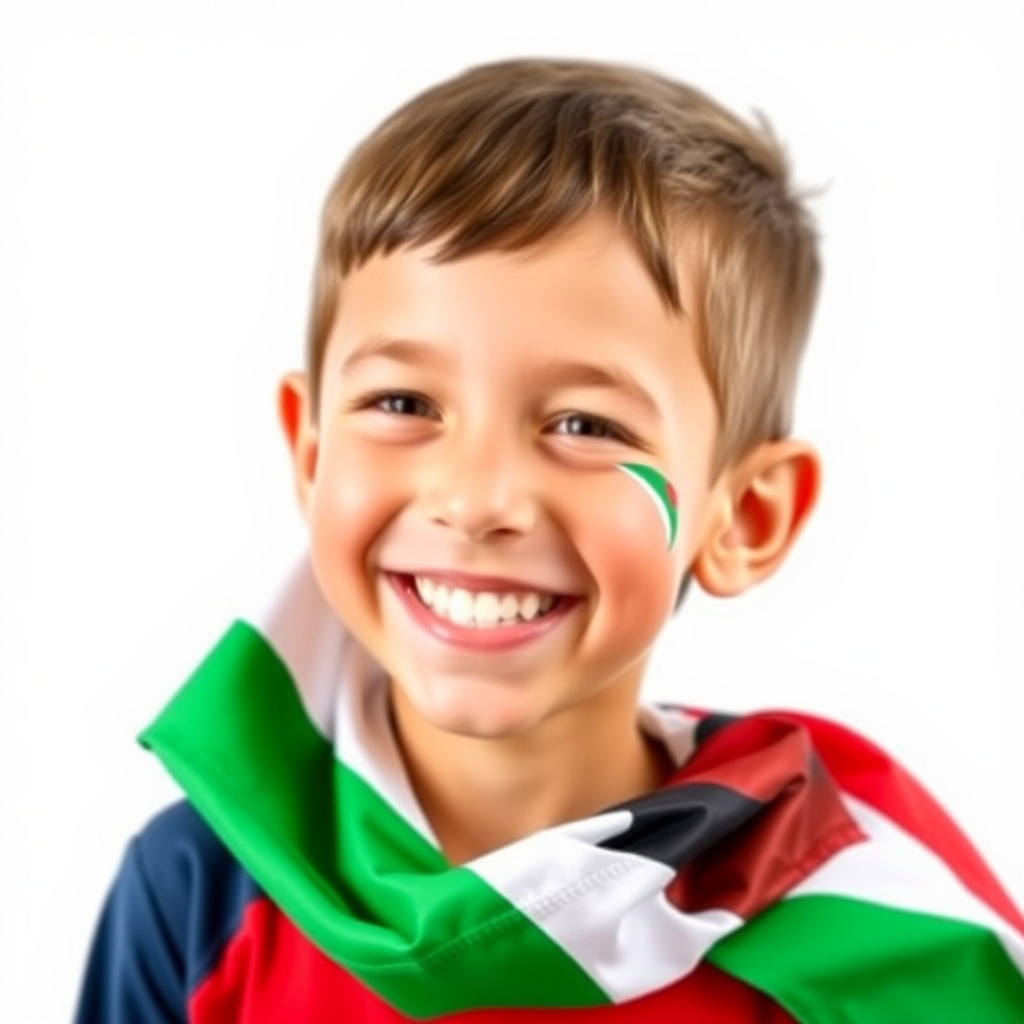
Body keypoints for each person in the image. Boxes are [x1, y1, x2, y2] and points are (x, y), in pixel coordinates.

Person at [74, 59, 1024, 1023]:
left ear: (745, 516)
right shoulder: (200, 893)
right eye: (403, 404)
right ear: (311, 453)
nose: (478, 500)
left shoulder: (873, 929)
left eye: (586, 425)